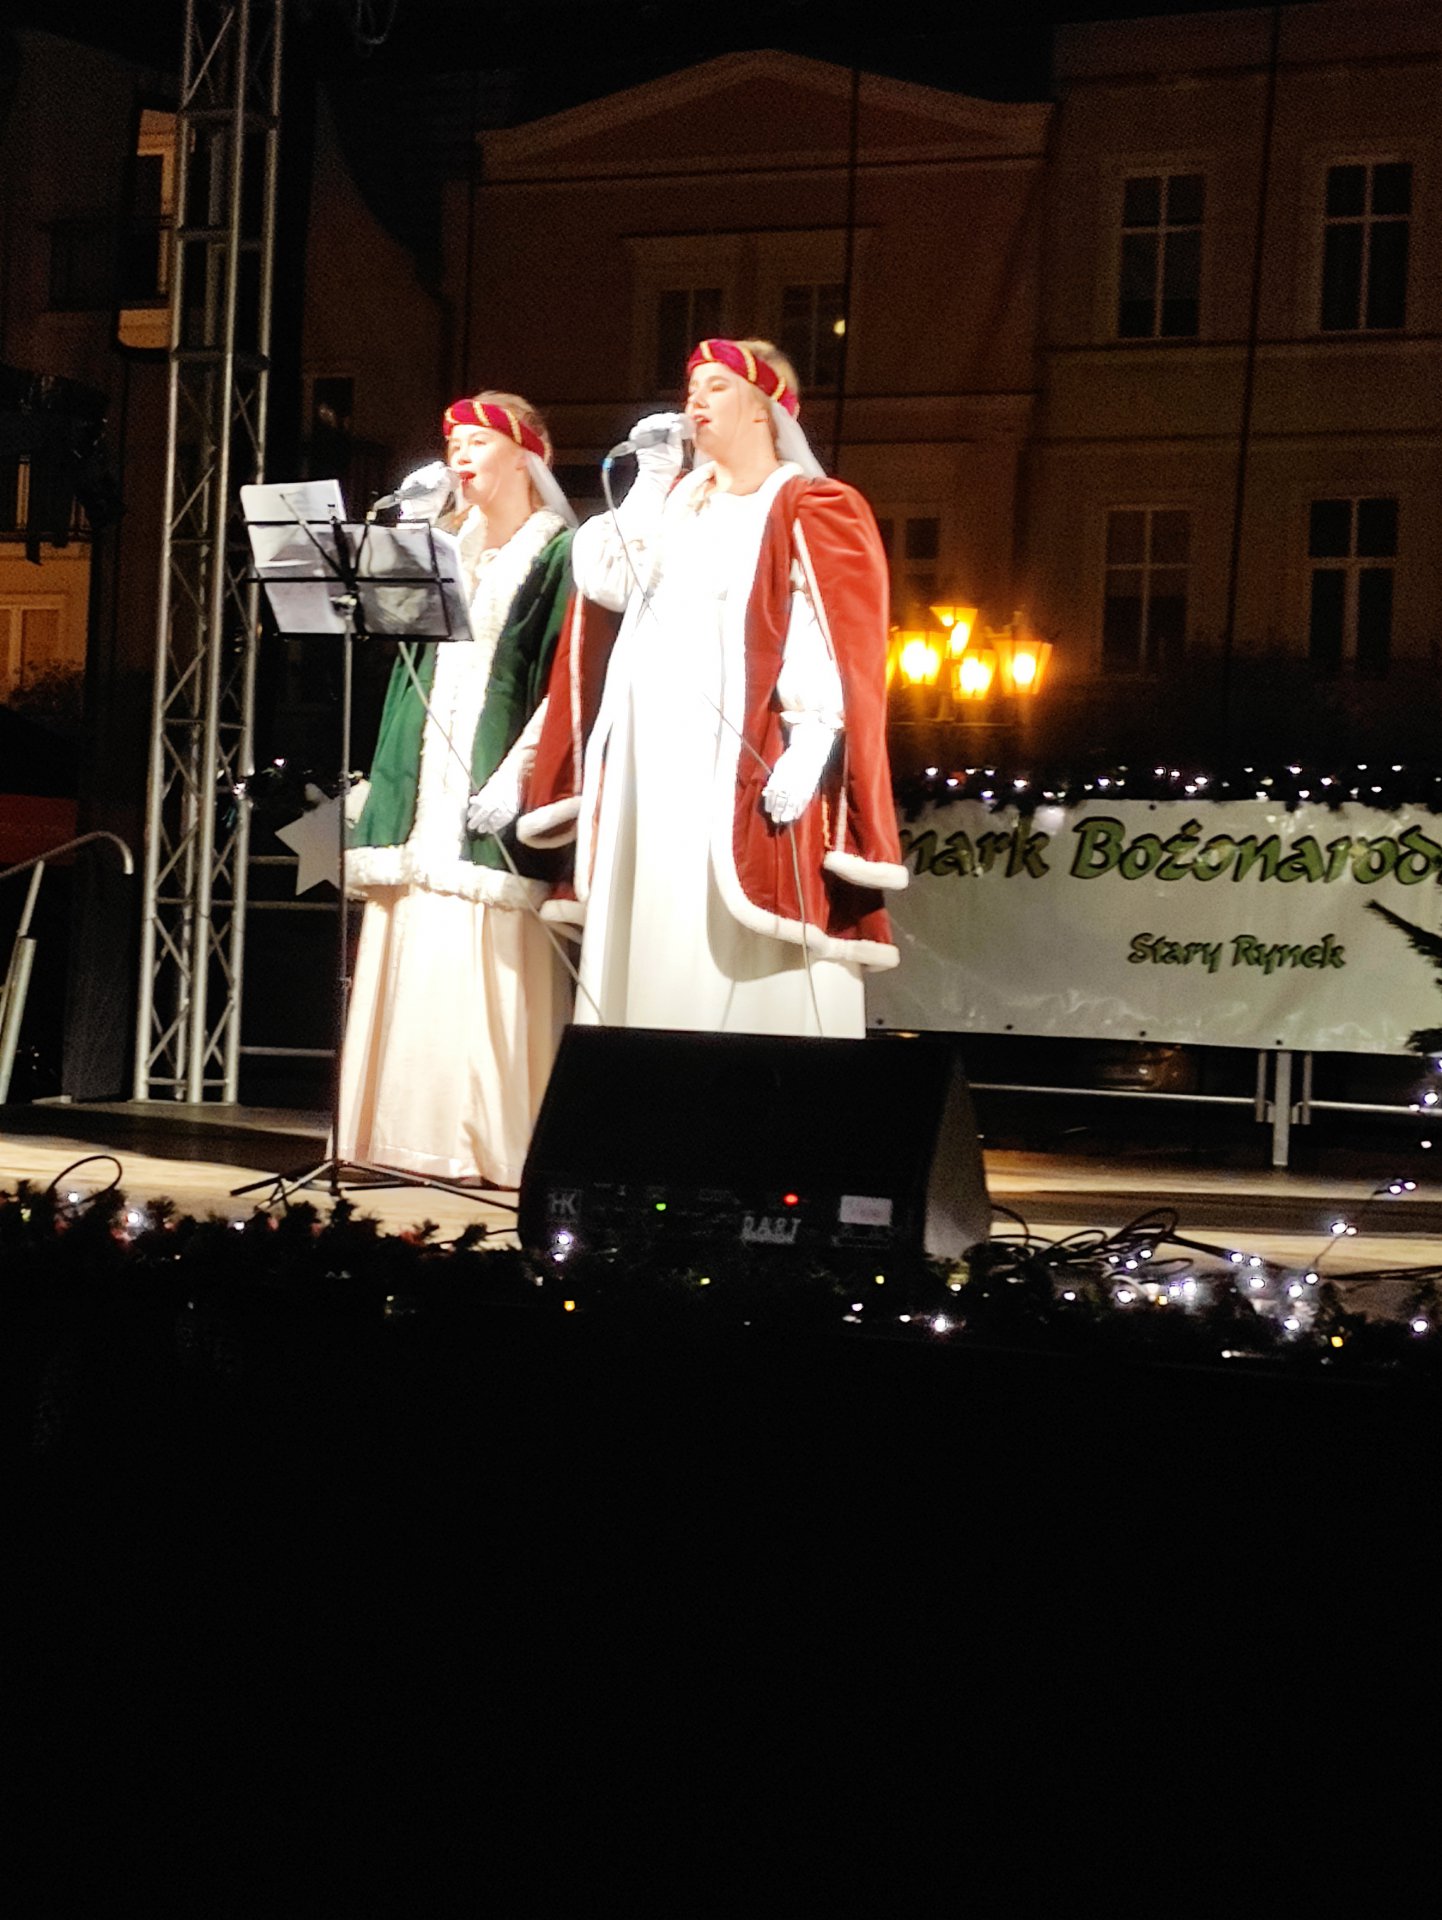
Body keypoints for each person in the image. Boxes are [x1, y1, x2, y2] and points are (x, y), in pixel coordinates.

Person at [518, 337, 907, 1039]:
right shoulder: (675, 503)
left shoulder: (808, 504)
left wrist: (811, 734)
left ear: (765, 409)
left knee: (731, 925)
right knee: (656, 912)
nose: (694, 400)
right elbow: (606, 581)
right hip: (648, 749)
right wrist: (649, 481)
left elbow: (829, 626)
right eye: (691, 388)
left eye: (716, 387)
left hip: (734, 745)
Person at [338, 391, 576, 1185]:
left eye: (477, 441)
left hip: (494, 776)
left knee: (482, 958)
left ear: (528, 453)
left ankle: (480, 1144)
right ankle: (397, 1139)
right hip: (422, 784)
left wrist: (518, 773)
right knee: (411, 944)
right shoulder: (443, 547)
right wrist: (405, 541)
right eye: (452, 444)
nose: (459, 456)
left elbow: (566, 681)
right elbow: (398, 650)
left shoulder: (559, 554)